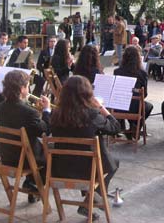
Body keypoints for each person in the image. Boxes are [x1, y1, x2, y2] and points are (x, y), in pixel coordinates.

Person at [50, 76, 120, 220]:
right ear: (87, 94)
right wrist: (101, 108)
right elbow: (115, 128)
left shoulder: (56, 113)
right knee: (112, 163)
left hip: (60, 169)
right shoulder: (92, 114)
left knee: (95, 158)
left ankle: (91, 197)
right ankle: (91, 199)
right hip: (87, 171)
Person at [0, 70, 51, 202]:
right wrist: (46, 111)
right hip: (25, 159)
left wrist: (36, 113)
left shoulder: (1, 107)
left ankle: (31, 183)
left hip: (7, 156)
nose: (29, 89)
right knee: (53, 153)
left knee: (35, 147)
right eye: (27, 86)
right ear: (22, 89)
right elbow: (45, 131)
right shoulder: (29, 112)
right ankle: (34, 184)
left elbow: (23, 122)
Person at [113, 46, 153, 131]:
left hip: (119, 106)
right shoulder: (142, 73)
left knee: (141, 106)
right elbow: (144, 94)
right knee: (148, 106)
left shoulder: (117, 72)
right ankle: (135, 127)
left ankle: (129, 128)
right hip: (135, 107)